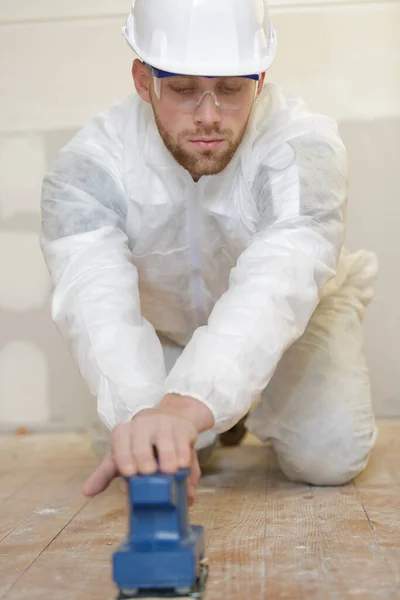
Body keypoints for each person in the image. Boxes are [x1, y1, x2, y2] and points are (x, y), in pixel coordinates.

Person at [40, 0, 378, 506]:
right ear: (142, 80)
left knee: (328, 457)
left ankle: (242, 406)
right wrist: (145, 416)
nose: (208, 117)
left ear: (259, 80)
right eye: (182, 89)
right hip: (170, 324)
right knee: (147, 443)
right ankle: (220, 416)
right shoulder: (89, 168)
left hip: (299, 317)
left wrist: (193, 400)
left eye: (229, 89)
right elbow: (95, 302)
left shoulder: (304, 147)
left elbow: (279, 281)